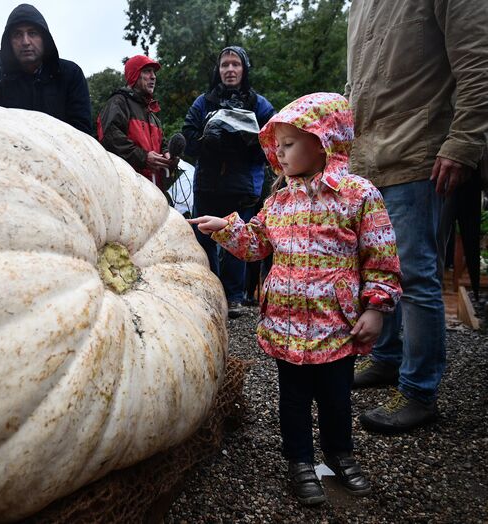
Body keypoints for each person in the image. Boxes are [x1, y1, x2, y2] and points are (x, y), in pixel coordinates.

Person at [189, 93, 402, 506]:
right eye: (277, 146)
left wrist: (376, 307)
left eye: (289, 144)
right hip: (286, 325)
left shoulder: (359, 196)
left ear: (323, 141)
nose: (280, 154)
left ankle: (340, 455)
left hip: (335, 324)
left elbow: (381, 255)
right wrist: (224, 228)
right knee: (293, 399)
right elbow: (256, 244)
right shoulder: (279, 201)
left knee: (337, 398)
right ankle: (299, 461)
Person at [347, 0, 488, 433]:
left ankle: (419, 391)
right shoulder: (359, 5)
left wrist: (463, 141)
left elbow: (478, 60)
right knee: (377, 270)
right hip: (367, 159)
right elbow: (356, 85)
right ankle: (387, 361)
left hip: (418, 153)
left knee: (414, 273)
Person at [182, 46, 275, 318]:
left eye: (235, 64)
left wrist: (247, 144)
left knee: (237, 241)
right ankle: (209, 294)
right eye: (225, 65)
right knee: (204, 240)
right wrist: (205, 140)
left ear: (244, 70)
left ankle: (234, 298)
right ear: (218, 70)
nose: (230, 70)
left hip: (242, 186)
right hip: (208, 185)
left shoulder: (259, 104)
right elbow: (188, 137)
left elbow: (274, 142)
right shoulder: (203, 102)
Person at [0, 4, 92, 135]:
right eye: (17, 34)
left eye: (32, 33)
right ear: (9, 42)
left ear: (44, 38)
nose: (25, 42)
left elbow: (82, 132)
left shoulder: (71, 74)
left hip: (63, 153)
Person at [97, 55, 176, 190]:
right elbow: (109, 137)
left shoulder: (152, 114)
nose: (153, 76)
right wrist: (143, 158)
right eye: (147, 71)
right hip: (127, 190)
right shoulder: (119, 102)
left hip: (154, 191)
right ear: (134, 75)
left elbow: (161, 143)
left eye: (154, 72)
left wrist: (168, 156)